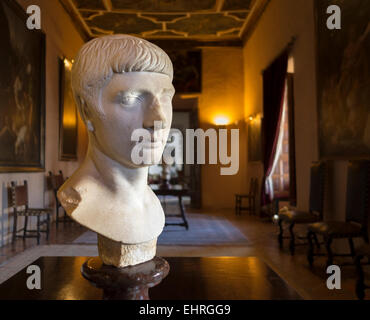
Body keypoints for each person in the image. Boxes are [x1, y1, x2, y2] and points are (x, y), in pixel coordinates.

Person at [58, 35, 174, 267]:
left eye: (165, 97)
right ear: (87, 110)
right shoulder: (78, 198)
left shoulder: (151, 203)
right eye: (131, 98)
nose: (158, 120)